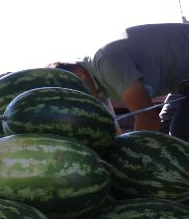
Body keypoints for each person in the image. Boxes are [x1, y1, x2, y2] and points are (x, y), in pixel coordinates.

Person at [50, 22, 189, 140]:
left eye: (75, 95)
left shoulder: (107, 63)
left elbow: (148, 118)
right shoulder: (94, 84)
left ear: (79, 75)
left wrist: (131, 161)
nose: (78, 101)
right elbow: (113, 128)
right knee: (165, 133)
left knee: (181, 135)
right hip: (182, 83)